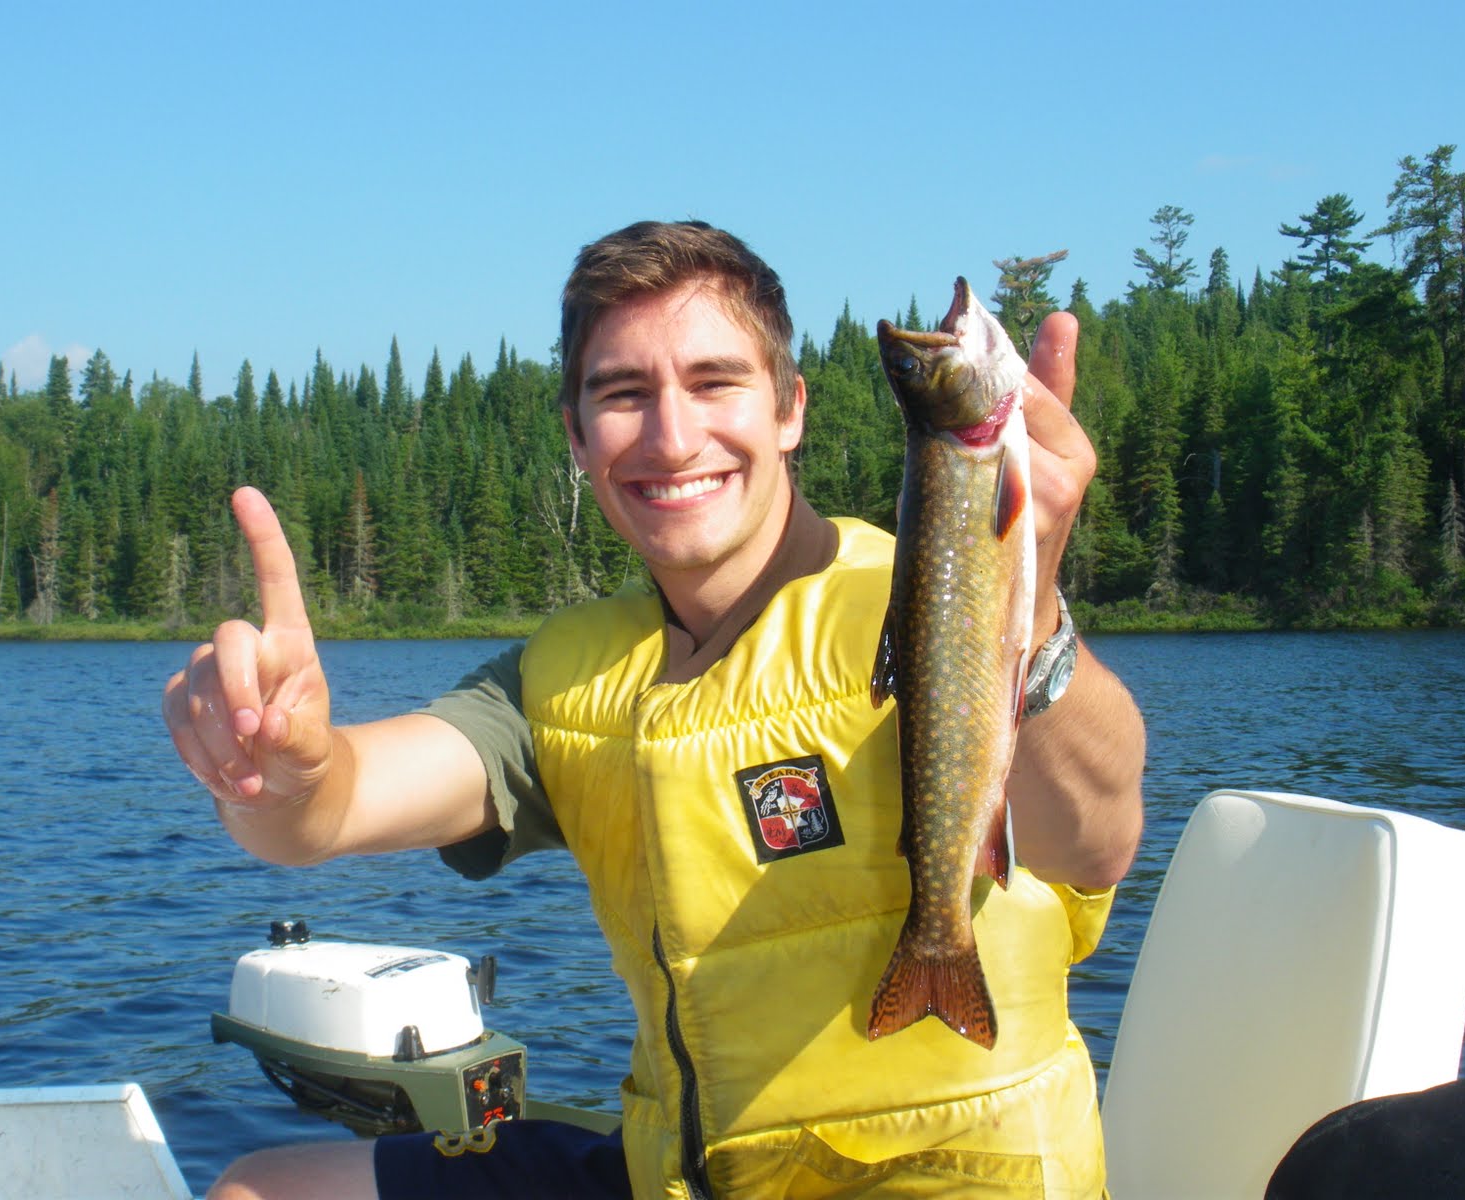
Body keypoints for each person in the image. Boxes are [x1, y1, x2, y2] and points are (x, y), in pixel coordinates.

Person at [165, 220, 1145, 1199]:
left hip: (947, 1179)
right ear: (577, 436)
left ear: (790, 410)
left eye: (715, 382)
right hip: (673, 1172)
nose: (673, 438)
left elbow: (1093, 842)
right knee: (263, 1190)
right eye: (625, 394)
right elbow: (331, 806)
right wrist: (273, 771)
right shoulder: (569, 678)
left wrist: (1025, 612)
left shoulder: (925, 605)